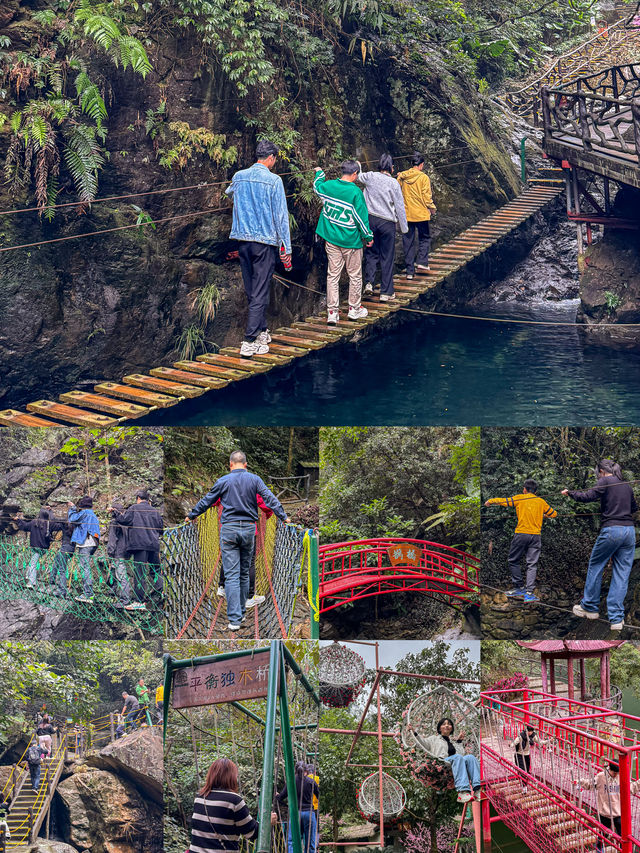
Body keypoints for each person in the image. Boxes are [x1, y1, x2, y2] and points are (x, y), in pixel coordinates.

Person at [185, 451, 290, 631]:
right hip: (249, 529)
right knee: (243, 572)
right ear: (246, 464)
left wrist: (191, 515)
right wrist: (284, 516)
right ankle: (240, 611)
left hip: (229, 529)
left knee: (232, 575)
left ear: (230, 464)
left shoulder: (223, 480)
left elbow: (207, 500)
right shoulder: (255, 480)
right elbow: (269, 499)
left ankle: (235, 620)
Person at [225, 140, 292, 358]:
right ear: (271, 158)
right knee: (261, 290)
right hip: (264, 243)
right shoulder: (274, 181)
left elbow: (229, 193)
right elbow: (281, 217)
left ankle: (262, 331)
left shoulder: (239, 176)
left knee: (252, 289)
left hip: (243, 242)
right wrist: (286, 248)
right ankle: (249, 340)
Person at [563, 459, 638, 630]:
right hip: (629, 532)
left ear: (602, 471)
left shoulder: (605, 481)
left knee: (596, 564)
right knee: (622, 573)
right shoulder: (626, 485)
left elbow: (588, 496)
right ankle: (616, 619)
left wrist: (570, 493)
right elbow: (633, 508)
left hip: (612, 530)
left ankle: (589, 606)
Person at [313, 160, 374, 325]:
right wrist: (368, 237)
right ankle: (354, 309)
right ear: (354, 174)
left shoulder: (329, 186)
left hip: (331, 240)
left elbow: (317, 187)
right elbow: (361, 219)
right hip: (350, 242)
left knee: (332, 275)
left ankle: (332, 312)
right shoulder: (355, 193)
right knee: (354, 275)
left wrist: (320, 173)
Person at [484, 479, 557, 603]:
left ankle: (519, 587)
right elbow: (554, 514)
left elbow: (504, 501)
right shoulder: (541, 501)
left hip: (522, 534)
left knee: (513, 560)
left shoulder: (520, 498)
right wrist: (544, 515)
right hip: (536, 536)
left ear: (524, 489)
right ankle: (529, 593)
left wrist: (490, 501)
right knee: (532, 564)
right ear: (536, 491)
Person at [189, 758, 274, 853]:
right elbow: (251, 833)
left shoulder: (199, 797)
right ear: (231, 777)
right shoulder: (234, 800)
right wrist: (268, 822)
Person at [358, 155, 408, 302]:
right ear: (391, 168)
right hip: (387, 223)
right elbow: (399, 206)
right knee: (387, 256)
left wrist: (358, 165)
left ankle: (369, 283)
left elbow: (358, 176)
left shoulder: (370, 176)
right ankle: (386, 292)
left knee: (371, 252)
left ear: (379, 166)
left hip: (371, 220)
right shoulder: (393, 183)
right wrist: (404, 228)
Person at [109, 490, 163, 610]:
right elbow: (161, 529)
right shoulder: (155, 511)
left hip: (139, 545)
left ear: (138, 498)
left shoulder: (134, 508)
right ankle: (160, 593)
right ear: (147, 499)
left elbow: (124, 520)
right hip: (154, 545)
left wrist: (115, 513)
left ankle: (139, 602)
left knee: (140, 573)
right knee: (155, 570)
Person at [217, 492, 272, 608]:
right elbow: (264, 504)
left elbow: (214, 500)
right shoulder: (250, 486)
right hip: (248, 531)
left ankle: (222, 587)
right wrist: (269, 514)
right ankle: (249, 597)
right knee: (249, 563)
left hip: (229, 529)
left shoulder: (227, 485)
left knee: (229, 557)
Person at [573, 761, 640, 852]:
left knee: (622, 836)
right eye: (614, 773)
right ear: (609, 769)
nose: (615, 775)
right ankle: (599, 847)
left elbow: (631, 788)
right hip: (605, 812)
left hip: (618, 812)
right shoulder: (601, 776)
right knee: (603, 834)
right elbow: (590, 784)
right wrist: (579, 782)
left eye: (617, 773)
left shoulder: (622, 776)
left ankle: (624, 850)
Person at [421, 718, 481, 803]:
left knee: (470, 757)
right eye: (444, 724)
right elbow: (422, 743)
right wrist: (414, 733)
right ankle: (462, 791)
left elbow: (461, 754)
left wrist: (459, 741)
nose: (446, 726)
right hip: (441, 762)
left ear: (452, 728)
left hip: (454, 762)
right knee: (457, 757)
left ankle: (477, 789)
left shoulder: (453, 742)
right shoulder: (434, 739)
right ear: (439, 728)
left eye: (449, 724)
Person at [397, 152, 436, 279]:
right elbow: (427, 197)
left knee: (408, 241)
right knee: (424, 238)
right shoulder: (424, 178)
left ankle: (409, 272)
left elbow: (397, 193)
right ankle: (422, 262)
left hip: (407, 214)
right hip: (421, 214)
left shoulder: (402, 177)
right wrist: (432, 208)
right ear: (421, 165)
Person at [277, 761, 319, 853]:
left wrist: (280, 798)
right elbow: (318, 794)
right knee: (310, 843)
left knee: (292, 841)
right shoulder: (311, 782)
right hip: (309, 813)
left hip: (296, 813)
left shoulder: (291, 782)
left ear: (295, 770)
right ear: (306, 771)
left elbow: (280, 798)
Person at [67, 496, 100, 603]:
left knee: (84, 567)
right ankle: (88, 593)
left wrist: (72, 508)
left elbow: (72, 519)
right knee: (86, 566)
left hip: (86, 543)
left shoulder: (85, 513)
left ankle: (88, 594)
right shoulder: (93, 514)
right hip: (93, 543)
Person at [15, 508, 54, 589]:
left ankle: (32, 582)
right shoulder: (49, 524)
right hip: (44, 548)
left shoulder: (34, 522)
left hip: (35, 547)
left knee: (33, 563)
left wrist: (18, 520)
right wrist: (51, 511)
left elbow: (24, 526)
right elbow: (58, 524)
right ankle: (28, 576)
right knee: (33, 561)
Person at [105, 501, 133, 609]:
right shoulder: (126, 522)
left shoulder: (114, 522)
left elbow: (112, 539)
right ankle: (112, 591)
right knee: (116, 571)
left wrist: (110, 553)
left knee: (121, 575)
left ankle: (125, 599)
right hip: (126, 552)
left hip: (118, 552)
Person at [510, 724, 546, 788]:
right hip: (519, 755)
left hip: (527, 755)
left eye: (531, 731)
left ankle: (524, 784)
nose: (530, 733)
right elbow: (515, 742)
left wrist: (548, 741)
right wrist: (511, 745)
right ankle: (524, 786)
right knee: (522, 771)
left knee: (527, 771)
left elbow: (539, 742)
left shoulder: (533, 736)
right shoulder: (521, 736)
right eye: (528, 731)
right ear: (526, 730)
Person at [48, 515, 75, 598]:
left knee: (62, 570)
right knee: (57, 559)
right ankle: (52, 579)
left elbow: (53, 519)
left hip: (65, 548)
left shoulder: (65, 524)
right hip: (71, 549)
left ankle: (62, 591)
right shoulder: (74, 525)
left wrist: (49, 512)